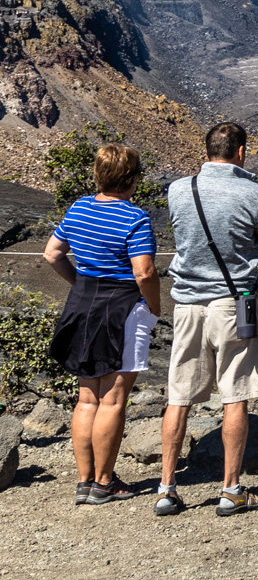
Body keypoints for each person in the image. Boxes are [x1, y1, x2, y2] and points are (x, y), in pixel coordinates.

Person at [156, 122, 258, 517]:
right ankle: (231, 490)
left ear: (207, 150)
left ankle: (166, 489)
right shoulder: (254, 194)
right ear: (241, 152)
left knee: (179, 395)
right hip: (233, 305)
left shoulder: (178, 190)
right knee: (235, 394)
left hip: (188, 305)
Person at [43, 143, 161, 506]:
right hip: (121, 306)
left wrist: (80, 283)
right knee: (112, 400)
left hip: (82, 303)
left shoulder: (79, 207)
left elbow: (51, 254)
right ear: (133, 179)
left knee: (87, 397)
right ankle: (104, 482)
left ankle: (84, 480)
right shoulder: (135, 219)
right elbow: (144, 272)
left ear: (98, 174)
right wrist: (155, 307)